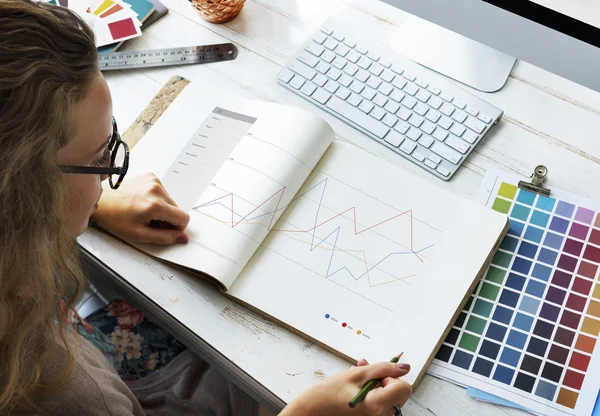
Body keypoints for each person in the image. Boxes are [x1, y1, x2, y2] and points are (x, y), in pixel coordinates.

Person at [0, 1, 413, 415]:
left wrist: (93, 203)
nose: (110, 173)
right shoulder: (73, 399)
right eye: (97, 157)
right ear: (27, 195)